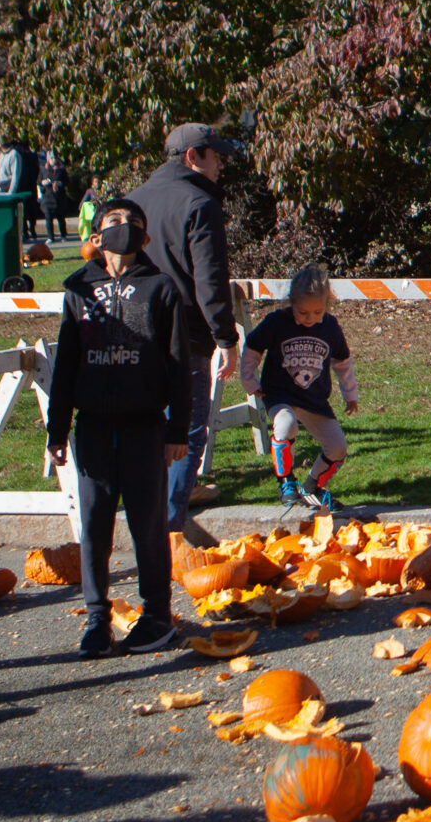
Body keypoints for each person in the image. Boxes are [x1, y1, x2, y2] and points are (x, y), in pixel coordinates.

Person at [44, 200, 192, 656]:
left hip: (144, 426)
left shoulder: (161, 289)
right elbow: (65, 365)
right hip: (91, 428)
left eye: (134, 224)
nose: (124, 229)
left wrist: (177, 431)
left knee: (147, 523)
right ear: (95, 233)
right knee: (94, 525)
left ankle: (156, 616)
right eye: (113, 222)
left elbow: (177, 363)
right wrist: (57, 429)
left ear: (145, 239)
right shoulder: (78, 291)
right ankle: (96, 619)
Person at [131, 124, 244, 537]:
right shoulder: (199, 202)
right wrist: (225, 337)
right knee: (184, 432)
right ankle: (166, 535)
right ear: (193, 157)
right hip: (184, 337)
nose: (220, 167)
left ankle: (151, 521)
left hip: (134, 333)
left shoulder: (133, 201)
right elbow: (209, 280)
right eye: (216, 157)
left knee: (145, 433)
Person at [242, 265, 360, 511]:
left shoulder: (330, 326)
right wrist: (249, 380)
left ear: (327, 305)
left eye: (317, 312)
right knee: (286, 424)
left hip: (314, 398)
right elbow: (252, 346)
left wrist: (350, 394)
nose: (309, 318)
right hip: (280, 392)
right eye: (302, 312)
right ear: (291, 303)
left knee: (338, 446)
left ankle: (312, 487)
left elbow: (343, 362)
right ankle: (286, 482)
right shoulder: (277, 322)